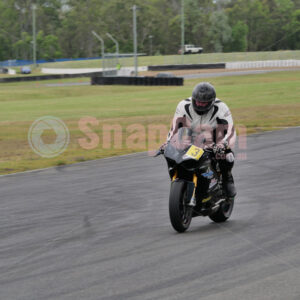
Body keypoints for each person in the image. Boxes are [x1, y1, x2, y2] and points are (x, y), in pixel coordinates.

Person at [163, 82, 236, 199]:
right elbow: (174, 128)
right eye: (198, 102)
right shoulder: (183, 105)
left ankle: (227, 179)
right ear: (193, 99)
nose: (200, 105)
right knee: (172, 153)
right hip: (190, 137)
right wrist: (167, 143)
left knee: (227, 156)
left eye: (204, 103)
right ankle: (179, 180)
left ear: (211, 102)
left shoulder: (221, 107)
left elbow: (230, 130)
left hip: (214, 137)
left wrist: (223, 144)